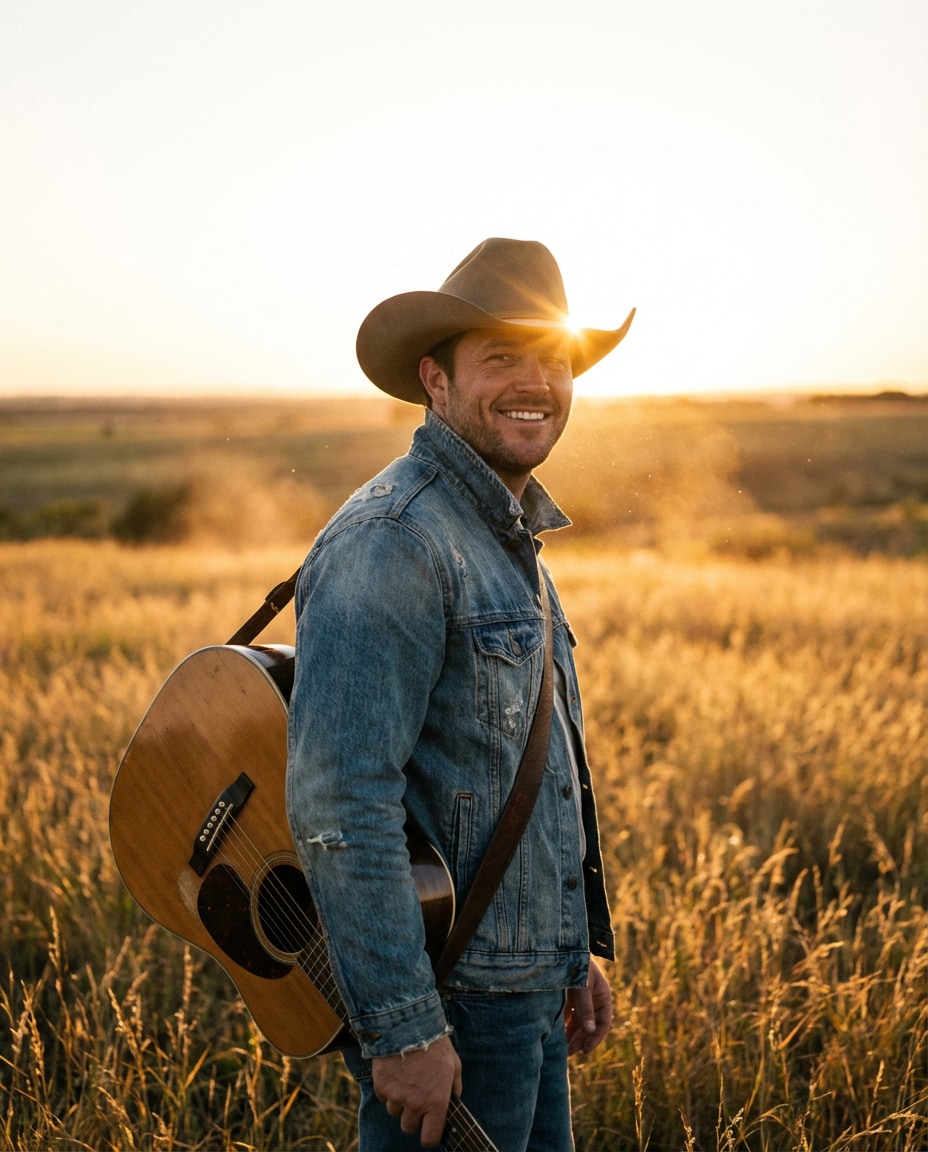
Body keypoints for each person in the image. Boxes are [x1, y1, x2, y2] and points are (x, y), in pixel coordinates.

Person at [286, 237, 635, 1151]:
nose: (536, 382)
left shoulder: (504, 528)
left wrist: (567, 949)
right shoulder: (394, 540)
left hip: (522, 992)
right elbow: (339, 801)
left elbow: (524, 762)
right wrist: (402, 1029)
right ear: (435, 382)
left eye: (553, 360)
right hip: (450, 1006)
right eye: (501, 359)